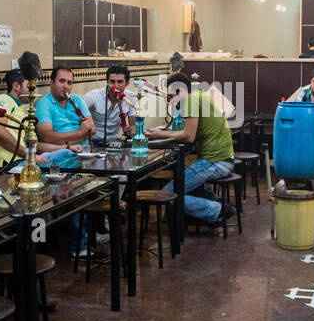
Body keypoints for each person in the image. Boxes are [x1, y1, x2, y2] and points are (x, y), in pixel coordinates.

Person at [148, 73, 236, 226]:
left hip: (214, 162)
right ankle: (216, 203)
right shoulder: (200, 96)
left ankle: (217, 209)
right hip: (224, 159)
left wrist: (159, 134)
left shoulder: (189, 101)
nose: (169, 100)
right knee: (185, 187)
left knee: (167, 193)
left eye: (170, 96)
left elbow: (189, 137)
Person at [0, 68, 69, 174]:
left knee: (66, 153)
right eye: (29, 87)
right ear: (16, 86)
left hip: (25, 161)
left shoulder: (22, 111)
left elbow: (35, 145)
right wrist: (29, 155)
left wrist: (66, 147)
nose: (33, 91)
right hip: (8, 166)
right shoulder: (2, 100)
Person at [34, 66, 95, 147]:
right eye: (62, 81)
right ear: (51, 83)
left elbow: (92, 129)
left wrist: (66, 143)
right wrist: (79, 133)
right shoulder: (43, 104)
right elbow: (47, 137)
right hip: (60, 153)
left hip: (84, 151)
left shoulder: (77, 100)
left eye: (69, 83)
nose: (65, 86)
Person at [84, 64, 135, 146]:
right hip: (92, 142)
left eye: (120, 82)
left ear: (127, 83)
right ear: (107, 82)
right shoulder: (93, 96)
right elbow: (75, 114)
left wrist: (130, 131)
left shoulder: (131, 97)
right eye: (112, 81)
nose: (116, 86)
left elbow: (133, 126)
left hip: (115, 143)